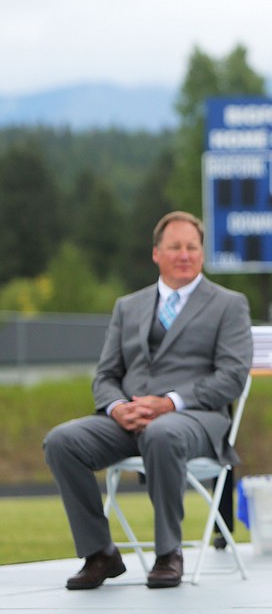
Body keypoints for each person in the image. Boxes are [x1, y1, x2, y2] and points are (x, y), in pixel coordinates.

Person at [43, 211, 253, 590]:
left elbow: (232, 377)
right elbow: (106, 375)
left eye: (193, 247)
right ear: (156, 253)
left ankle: (169, 553)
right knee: (62, 441)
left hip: (195, 419)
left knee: (163, 434)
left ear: (202, 254)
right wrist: (118, 407)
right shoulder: (129, 306)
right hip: (129, 418)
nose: (185, 254)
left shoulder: (229, 304)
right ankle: (100, 553)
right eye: (175, 247)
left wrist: (170, 403)